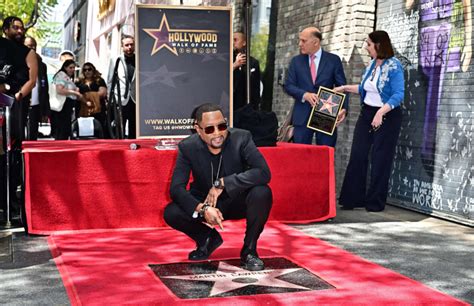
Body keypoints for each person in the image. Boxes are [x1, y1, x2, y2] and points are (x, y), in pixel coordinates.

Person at [164, 103, 272, 271]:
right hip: (207, 202)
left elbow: (263, 172)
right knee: (171, 212)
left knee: (262, 192)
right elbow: (176, 189)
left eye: (222, 126)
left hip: (236, 200)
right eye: (209, 129)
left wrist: (223, 183)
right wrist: (203, 208)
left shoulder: (241, 138)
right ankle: (207, 239)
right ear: (198, 129)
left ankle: (249, 250)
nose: (217, 133)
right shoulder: (188, 147)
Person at [334, 30, 404, 212]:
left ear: (379, 45)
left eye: (369, 44)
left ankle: (375, 202)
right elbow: (364, 88)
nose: (366, 47)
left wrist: (381, 112)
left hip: (387, 115)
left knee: (381, 159)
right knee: (358, 154)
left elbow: (398, 94)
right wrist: (344, 88)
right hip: (367, 114)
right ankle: (352, 199)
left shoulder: (394, 66)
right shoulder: (371, 64)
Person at [284, 26, 347, 147]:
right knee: (299, 155)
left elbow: (342, 86)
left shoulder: (333, 60)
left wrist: (343, 108)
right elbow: (289, 86)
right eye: (300, 40)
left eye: (303, 41)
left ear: (316, 42)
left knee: (325, 154)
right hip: (301, 114)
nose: (299, 44)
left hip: (326, 112)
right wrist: (305, 95)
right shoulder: (296, 61)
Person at [107, 34, 136, 138]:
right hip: (120, 98)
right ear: (122, 46)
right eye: (127, 45)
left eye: (131, 45)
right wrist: (110, 99)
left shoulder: (139, 59)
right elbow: (110, 80)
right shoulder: (115, 60)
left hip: (135, 99)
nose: (129, 47)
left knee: (134, 128)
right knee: (119, 128)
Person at [24, 36, 50, 140]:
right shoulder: (18, 61)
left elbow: (45, 88)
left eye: (34, 46)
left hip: (36, 105)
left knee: (33, 135)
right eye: (29, 46)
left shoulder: (42, 65)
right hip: (22, 102)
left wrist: (45, 111)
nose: (32, 48)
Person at [51, 59, 83, 140]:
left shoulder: (67, 77)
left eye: (73, 68)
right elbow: (60, 90)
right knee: (62, 130)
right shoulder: (62, 76)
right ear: (65, 67)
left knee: (64, 130)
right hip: (63, 106)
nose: (72, 70)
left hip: (66, 107)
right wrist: (74, 92)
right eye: (70, 67)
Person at [76, 62, 108, 137]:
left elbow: (103, 92)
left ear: (93, 70)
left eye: (89, 69)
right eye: (85, 70)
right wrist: (85, 100)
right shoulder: (79, 82)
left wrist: (86, 95)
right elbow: (76, 94)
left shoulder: (99, 80)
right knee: (83, 132)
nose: (87, 71)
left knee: (98, 131)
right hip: (82, 109)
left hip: (98, 110)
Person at [232, 31, 261, 112]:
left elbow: (256, 87)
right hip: (231, 104)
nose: (233, 43)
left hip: (247, 105)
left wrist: (256, 106)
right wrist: (235, 65)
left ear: (244, 42)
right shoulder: (228, 60)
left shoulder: (253, 62)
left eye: (235, 40)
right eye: (231, 40)